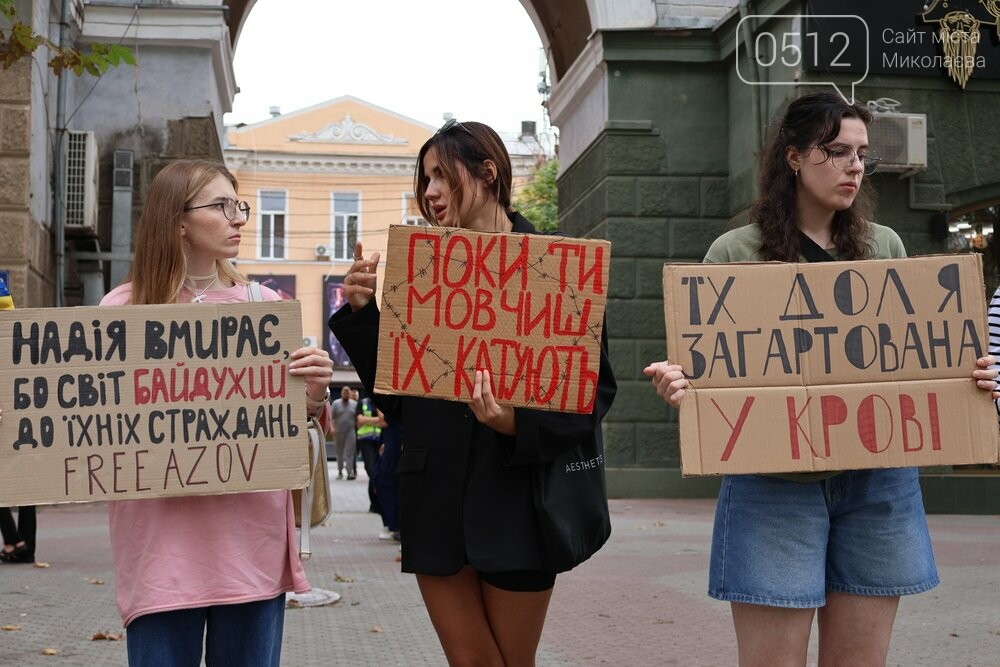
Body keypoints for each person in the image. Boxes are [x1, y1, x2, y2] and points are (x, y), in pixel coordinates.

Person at [644, 91, 1000, 667]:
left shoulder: (885, 247)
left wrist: (967, 374)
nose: (854, 166)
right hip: (773, 487)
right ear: (793, 157)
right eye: (836, 151)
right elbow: (707, 369)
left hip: (878, 484)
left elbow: (911, 362)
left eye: (862, 154)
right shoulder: (735, 253)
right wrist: (681, 384)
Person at [329, 119, 617, 665]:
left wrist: (515, 424)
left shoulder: (556, 267)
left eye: (442, 175)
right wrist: (365, 317)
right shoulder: (423, 275)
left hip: (519, 505)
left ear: (488, 173)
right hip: (435, 500)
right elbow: (398, 401)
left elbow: (592, 393)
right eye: (425, 179)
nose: (430, 192)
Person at [97, 158, 334, 666]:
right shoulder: (121, 313)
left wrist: (312, 396)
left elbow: (290, 432)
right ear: (177, 220)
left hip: (249, 546)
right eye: (222, 206)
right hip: (160, 553)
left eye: (239, 205)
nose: (240, 218)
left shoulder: (266, 307)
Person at [355, 393, 384, 511]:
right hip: (366, 440)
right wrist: (378, 420)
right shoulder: (363, 402)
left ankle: (375, 505)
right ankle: (375, 503)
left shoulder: (382, 403)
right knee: (371, 470)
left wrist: (369, 420)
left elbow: (384, 421)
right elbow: (360, 420)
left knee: (378, 473)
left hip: (380, 440)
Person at [331, 386, 358, 480]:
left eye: (347, 392)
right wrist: (332, 428)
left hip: (350, 431)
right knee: (339, 453)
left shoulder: (354, 404)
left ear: (349, 393)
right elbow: (331, 418)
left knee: (349, 452)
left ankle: (349, 472)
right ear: (341, 393)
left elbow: (358, 418)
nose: (345, 394)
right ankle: (340, 471)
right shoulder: (336, 403)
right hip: (338, 431)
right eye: (344, 392)